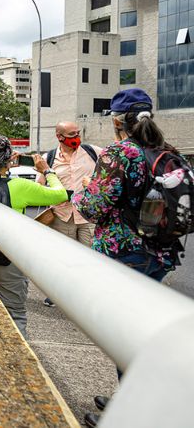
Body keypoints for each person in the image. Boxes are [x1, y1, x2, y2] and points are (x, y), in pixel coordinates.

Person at [72, 88, 184, 428]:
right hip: (161, 251)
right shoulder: (167, 151)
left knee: (127, 331)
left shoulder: (121, 152)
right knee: (140, 327)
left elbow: (94, 206)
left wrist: (84, 189)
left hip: (126, 253)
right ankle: (133, 395)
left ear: (117, 121)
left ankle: (138, 411)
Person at [0, 134, 67, 336]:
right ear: (8, 159)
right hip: (8, 259)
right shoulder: (21, 187)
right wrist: (47, 170)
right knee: (14, 314)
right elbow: (60, 194)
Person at [37, 122, 102, 307]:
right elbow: (40, 187)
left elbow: (108, 175)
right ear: (59, 136)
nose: (76, 137)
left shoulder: (93, 152)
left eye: (77, 133)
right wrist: (61, 194)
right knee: (62, 257)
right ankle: (58, 294)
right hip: (61, 215)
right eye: (71, 134)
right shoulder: (48, 158)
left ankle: (86, 296)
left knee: (91, 257)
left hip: (88, 216)